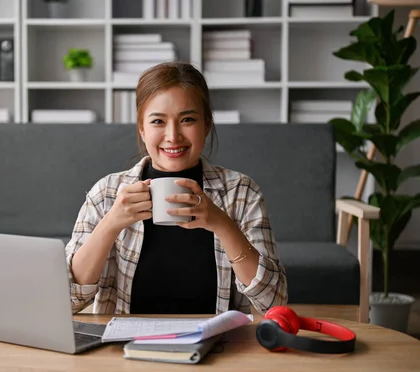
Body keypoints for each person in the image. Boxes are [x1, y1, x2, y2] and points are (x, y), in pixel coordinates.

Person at [65, 61, 288, 317]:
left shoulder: (241, 192)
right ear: (142, 128)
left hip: (215, 348)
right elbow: (68, 300)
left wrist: (222, 224)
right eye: (158, 121)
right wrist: (111, 223)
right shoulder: (107, 193)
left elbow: (273, 303)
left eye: (188, 119)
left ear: (206, 125)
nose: (173, 136)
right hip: (125, 346)